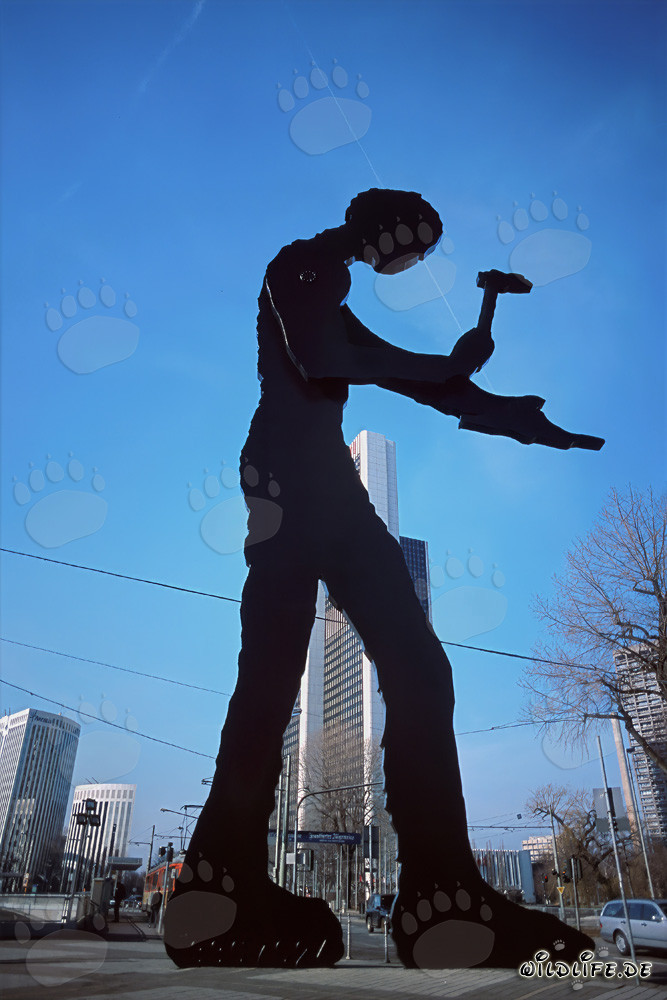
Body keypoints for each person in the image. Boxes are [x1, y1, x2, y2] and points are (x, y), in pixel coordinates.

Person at [164, 189, 602, 971]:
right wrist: (443, 362)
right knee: (302, 669)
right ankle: (230, 882)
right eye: (416, 241)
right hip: (293, 475)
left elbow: (403, 378)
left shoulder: (329, 288)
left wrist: (510, 414)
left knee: (403, 668)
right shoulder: (304, 265)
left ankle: (433, 896)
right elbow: (327, 360)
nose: (415, 258)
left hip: (314, 475)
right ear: (383, 224)